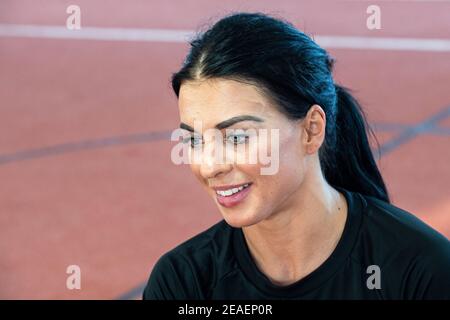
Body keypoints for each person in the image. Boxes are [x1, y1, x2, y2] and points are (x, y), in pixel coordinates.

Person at [143, 12, 450, 299]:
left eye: (237, 137)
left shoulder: (419, 270)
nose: (210, 166)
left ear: (311, 130)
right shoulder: (184, 283)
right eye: (194, 140)